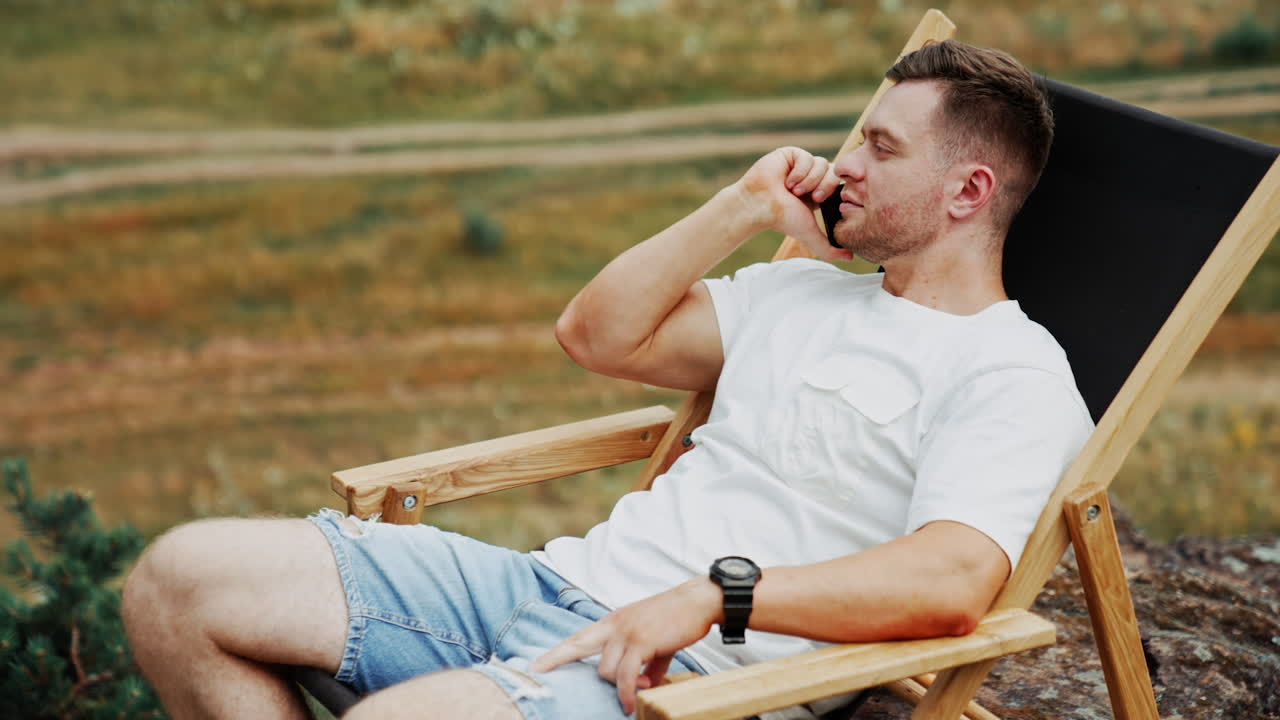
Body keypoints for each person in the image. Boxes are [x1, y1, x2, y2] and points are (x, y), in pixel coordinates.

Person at [122, 40, 1093, 720]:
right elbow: (596, 333)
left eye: (880, 149)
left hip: (687, 676)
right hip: (550, 587)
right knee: (180, 582)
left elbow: (950, 580)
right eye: (853, 137)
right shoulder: (797, 294)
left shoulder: (1008, 370)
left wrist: (720, 595)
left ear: (967, 192)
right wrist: (742, 206)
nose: (841, 164)